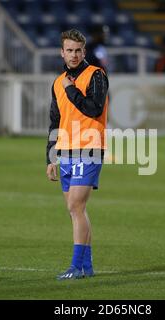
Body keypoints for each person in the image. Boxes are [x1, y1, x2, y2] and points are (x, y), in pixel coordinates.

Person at [45, 29, 109, 280]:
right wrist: (50, 158)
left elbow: (94, 109)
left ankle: (75, 267)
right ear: (62, 52)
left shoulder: (96, 75)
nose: (73, 55)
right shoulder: (58, 82)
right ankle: (86, 266)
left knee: (75, 205)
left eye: (77, 50)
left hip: (90, 147)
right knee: (75, 210)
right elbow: (54, 123)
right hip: (66, 150)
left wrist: (71, 90)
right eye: (68, 50)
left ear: (84, 52)